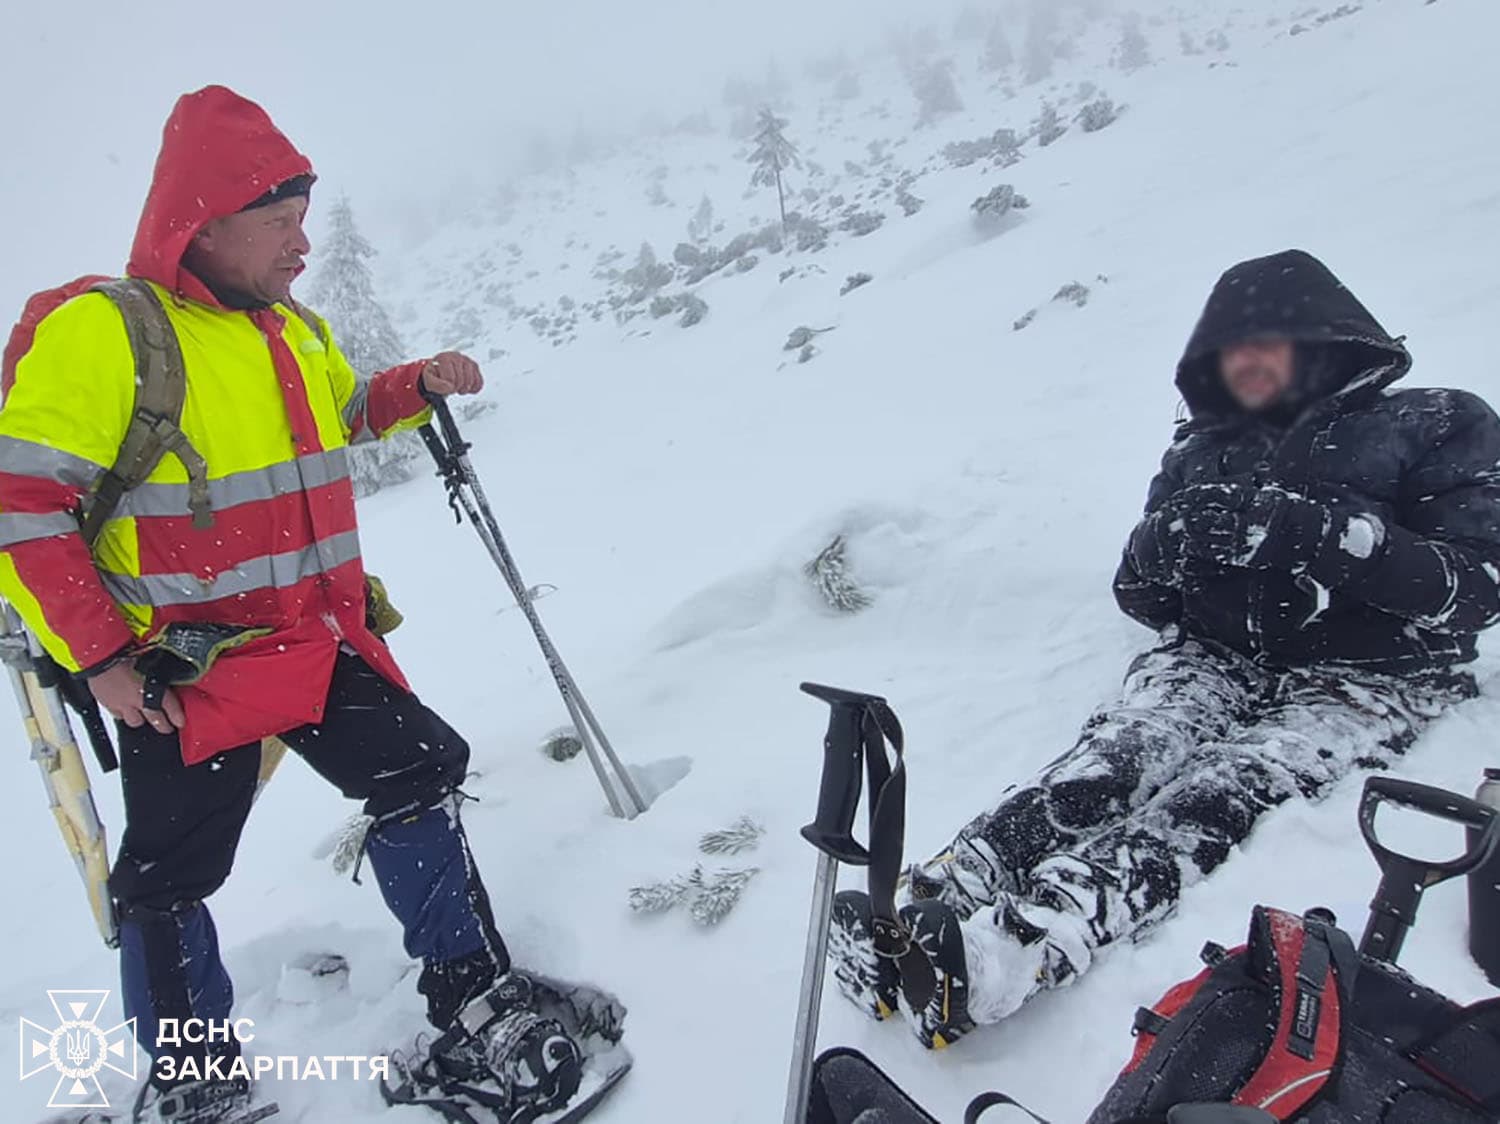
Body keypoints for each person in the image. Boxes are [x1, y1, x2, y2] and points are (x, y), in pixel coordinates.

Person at [0, 86, 583, 1123]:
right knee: (168, 878)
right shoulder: (110, 334)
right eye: (276, 222)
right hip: (185, 672)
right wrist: (101, 659)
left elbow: (342, 410)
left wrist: (411, 383)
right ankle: (193, 1079)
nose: (300, 243)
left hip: (312, 642)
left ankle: (472, 993)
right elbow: (21, 503)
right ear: (200, 226)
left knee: (421, 766)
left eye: (304, 218)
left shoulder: (287, 328)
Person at [829, 249, 1500, 1049]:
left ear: (1326, 340)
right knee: (1112, 759)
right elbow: (1142, 600)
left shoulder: (1433, 422)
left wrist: (1319, 537)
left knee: (1223, 791)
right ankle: (927, 902)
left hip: (1364, 679)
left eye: (1265, 347)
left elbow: (1475, 590)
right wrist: (1158, 547)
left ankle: (1015, 952)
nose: (1245, 369)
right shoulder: (1201, 449)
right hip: (1210, 656)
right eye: (1228, 356)